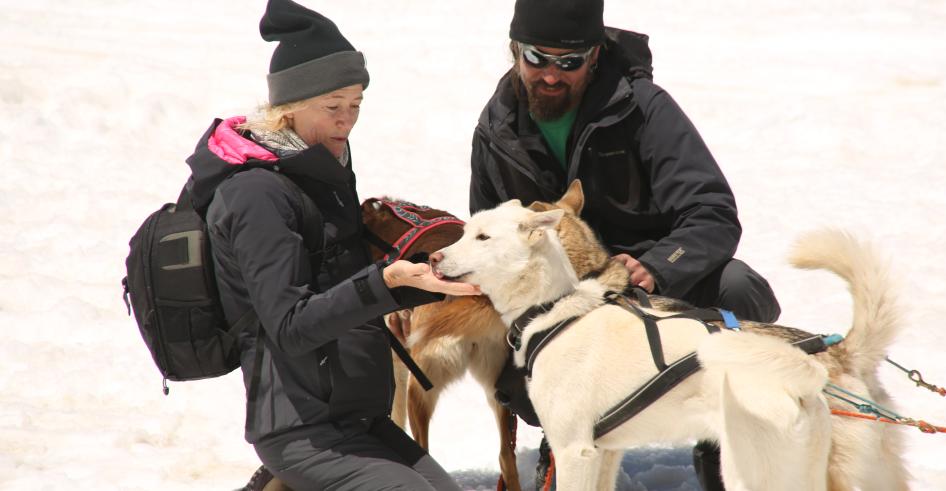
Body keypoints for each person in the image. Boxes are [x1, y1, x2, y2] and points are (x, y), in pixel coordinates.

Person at [468, 0, 781, 489]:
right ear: (514, 51)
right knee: (512, 364)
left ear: (594, 57)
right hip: (560, 310)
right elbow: (487, 231)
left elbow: (712, 212)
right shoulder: (497, 128)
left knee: (738, 289)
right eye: (537, 58)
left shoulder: (643, 108)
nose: (551, 75)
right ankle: (566, 430)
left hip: (652, 290)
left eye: (569, 62)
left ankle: (722, 438)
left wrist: (657, 265)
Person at [184, 1, 478, 489]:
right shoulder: (257, 195)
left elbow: (342, 289)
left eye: (356, 104)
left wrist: (423, 281)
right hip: (302, 429)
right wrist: (383, 282)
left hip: (358, 417)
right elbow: (291, 326)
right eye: (333, 106)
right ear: (288, 108)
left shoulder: (324, 175)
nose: (347, 120)